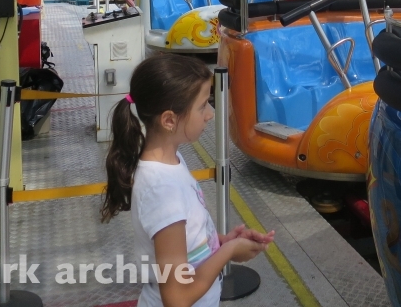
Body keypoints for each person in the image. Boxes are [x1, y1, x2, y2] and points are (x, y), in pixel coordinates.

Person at [103, 55, 274, 307]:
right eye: (203, 105)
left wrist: (219, 242)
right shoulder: (162, 190)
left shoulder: (172, 161)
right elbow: (177, 298)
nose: (210, 114)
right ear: (170, 120)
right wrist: (229, 252)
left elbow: (184, 245)